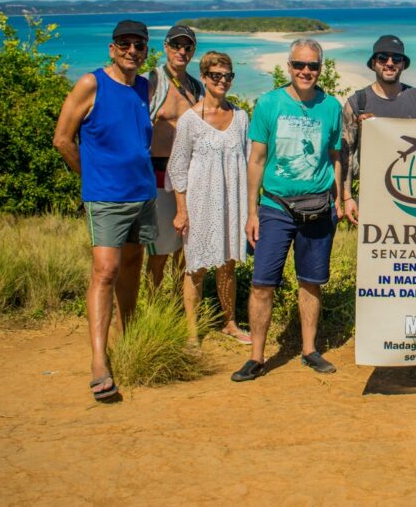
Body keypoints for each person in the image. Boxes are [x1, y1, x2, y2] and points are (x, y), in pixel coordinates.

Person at [52, 20, 156, 402]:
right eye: (124, 44)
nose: (132, 51)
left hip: (142, 194)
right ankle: (99, 361)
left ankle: (127, 338)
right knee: (105, 271)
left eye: (139, 45)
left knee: (132, 267)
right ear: (112, 49)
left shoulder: (144, 88)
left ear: (145, 51)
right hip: (107, 198)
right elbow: (62, 139)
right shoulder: (90, 84)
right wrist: (92, 178)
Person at [233, 39, 343, 382]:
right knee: (262, 284)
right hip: (275, 207)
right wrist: (252, 212)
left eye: (313, 66)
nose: (306, 71)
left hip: (318, 207)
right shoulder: (269, 103)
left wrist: (340, 198)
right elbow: (256, 159)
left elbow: (336, 156)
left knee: (311, 283)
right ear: (289, 66)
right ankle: (256, 357)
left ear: (320, 68)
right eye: (299, 65)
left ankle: (309, 350)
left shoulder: (331, 106)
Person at [166, 51, 251, 346]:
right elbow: (177, 167)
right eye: (216, 75)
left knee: (228, 265)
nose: (222, 81)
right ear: (203, 77)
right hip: (200, 204)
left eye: (228, 76)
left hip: (232, 203)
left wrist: (251, 207)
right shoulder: (190, 120)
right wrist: (181, 211)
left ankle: (230, 323)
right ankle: (192, 332)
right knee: (196, 267)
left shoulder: (241, 117)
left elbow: (250, 161)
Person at [340, 35, 416, 225]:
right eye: (383, 58)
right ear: (374, 63)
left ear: (403, 64)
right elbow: (346, 154)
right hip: (373, 196)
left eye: (396, 59)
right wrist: (347, 197)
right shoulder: (358, 103)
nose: (389, 63)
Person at [147, 24, 203, 288]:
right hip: (158, 174)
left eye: (187, 47)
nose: (182, 51)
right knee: (159, 250)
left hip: (190, 178)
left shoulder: (196, 87)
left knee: (185, 248)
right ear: (165, 47)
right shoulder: (152, 82)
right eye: (176, 45)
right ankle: (153, 304)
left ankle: (180, 304)